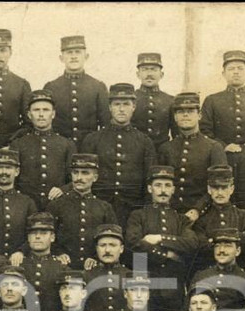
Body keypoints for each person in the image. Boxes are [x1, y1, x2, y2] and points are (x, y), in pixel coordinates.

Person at [125, 164, 202, 311]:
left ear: (173, 190)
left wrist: (160, 238)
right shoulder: (138, 215)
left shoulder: (180, 219)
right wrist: (166, 254)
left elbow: (192, 243)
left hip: (173, 286)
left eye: (167, 185)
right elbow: (133, 243)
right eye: (158, 185)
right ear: (149, 188)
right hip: (146, 285)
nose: (163, 190)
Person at [81, 83, 157, 225]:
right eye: (117, 104)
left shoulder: (144, 141)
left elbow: (149, 180)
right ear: (110, 107)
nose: (121, 109)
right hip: (99, 208)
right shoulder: (93, 139)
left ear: (134, 107)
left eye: (126, 104)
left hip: (133, 209)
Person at [156, 92, 228, 213]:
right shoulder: (166, 148)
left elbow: (218, 185)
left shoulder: (213, 147)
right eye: (180, 112)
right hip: (171, 213)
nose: (185, 115)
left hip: (204, 214)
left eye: (190, 111)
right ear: (175, 117)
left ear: (199, 115)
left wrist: (198, 210)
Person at [46, 153, 118, 268]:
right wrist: (58, 253)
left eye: (85, 173)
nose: (79, 178)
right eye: (76, 172)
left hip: (93, 267)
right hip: (63, 266)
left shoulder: (104, 207)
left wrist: (95, 257)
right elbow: (48, 235)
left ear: (95, 177)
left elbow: (112, 238)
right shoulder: (56, 205)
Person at [9, 89, 76, 210]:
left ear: (53, 114)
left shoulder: (67, 144)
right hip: (26, 206)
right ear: (29, 115)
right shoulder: (18, 144)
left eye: (45, 110)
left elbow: (75, 179)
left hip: (57, 205)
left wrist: (62, 189)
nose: (41, 114)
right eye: (36, 110)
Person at [43, 36, 109, 147]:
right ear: (61, 58)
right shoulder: (51, 87)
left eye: (77, 52)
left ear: (86, 56)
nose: (73, 56)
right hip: (59, 148)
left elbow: (105, 123)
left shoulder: (98, 87)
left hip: (89, 147)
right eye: (69, 52)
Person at [200, 51, 245, 150]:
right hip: (222, 156)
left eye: (240, 68)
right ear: (224, 74)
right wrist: (224, 147)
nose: (236, 72)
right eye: (231, 69)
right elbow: (204, 131)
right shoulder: (212, 100)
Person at [191, 164, 245, 269]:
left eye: (224, 187)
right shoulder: (201, 219)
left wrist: (213, 239)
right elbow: (201, 246)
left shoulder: (244, 215)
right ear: (209, 189)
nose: (220, 192)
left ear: (231, 189)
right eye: (215, 188)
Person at [0, 149, 36, 257]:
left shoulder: (26, 202)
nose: (4, 172)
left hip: (17, 261)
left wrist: (21, 251)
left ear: (17, 171)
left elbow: (33, 233)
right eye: (0, 167)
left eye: (9, 168)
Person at [12, 212, 64, 311]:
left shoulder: (61, 267)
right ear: (28, 238)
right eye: (33, 233)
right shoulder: (18, 265)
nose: (38, 237)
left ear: (52, 237)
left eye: (44, 233)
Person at [84, 224, 130, 311]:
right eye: (102, 245)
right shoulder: (85, 276)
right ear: (96, 248)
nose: (107, 250)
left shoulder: (130, 276)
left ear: (121, 249)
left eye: (112, 245)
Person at [132, 53, 175, 147]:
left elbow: (176, 135)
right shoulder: (131, 99)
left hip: (160, 153)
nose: (149, 74)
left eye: (153, 69)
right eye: (145, 70)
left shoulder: (170, 101)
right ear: (138, 74)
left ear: (161, 74)